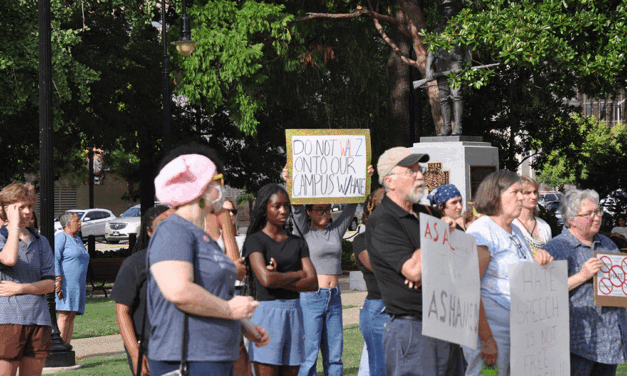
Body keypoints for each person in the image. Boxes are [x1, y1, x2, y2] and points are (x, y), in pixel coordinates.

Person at [147, 143, 269, 375]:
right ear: (200, 188)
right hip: (186, 359)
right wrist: (230, 309)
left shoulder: (200, 235)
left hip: (214, 356)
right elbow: (178, 290)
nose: (221, 188)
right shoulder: (173, 231)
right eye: (216, 180)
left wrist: (243, 325)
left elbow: (211, 292)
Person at [365, 146, 463, 376]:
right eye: (411, 171)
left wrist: (429, 251)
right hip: (412, 329)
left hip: (447, 322)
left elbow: (461, 257)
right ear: (390, 181)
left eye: (419, 170)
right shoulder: (383, 221)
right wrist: (435, 239)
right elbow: (415, 272)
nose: (420, 176)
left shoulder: (427, 212)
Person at [281, 164, 373, 376]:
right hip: (312, 297)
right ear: (309, 212)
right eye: (319, 209)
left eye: (327, 209)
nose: (324, 213)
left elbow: (351, 208)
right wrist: (288, 180)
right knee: (309, 354)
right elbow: (294, 208)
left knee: (334, 356)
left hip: (334, 296)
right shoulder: (304, 231)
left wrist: (363, 179)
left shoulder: (335, 230)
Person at [462, 171, 553, 376]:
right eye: (516, 192)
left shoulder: (516, 231)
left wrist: (540, 261)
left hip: (518, 329)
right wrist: (486, 340)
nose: (522, 197)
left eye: (523, 192)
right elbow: (468, 287)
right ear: (495, 196)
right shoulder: (482, 231)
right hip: (493, 333)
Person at [544, 189, 627, 376]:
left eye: (597, 212)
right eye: (589, 214)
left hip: (610, 339)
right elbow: (545, 293)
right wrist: (582, 276)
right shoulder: (556, 248)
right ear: (571, 219)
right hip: (578, 342)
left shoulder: (608, 244)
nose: (597, 218)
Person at [243, 183, 318, 376]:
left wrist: (279, 279)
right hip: (268, 315)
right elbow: (267, 279)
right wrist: (296, 274)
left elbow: (313, 283)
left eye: (286, 206)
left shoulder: (297, 242)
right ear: (264, 208)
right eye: (277, 206)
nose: (283, 211)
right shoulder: (255, 240)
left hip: (294, 313)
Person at [0, 183, 55, 376]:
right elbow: (9, 259)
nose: (28, 211)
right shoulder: (0, 238)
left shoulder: (41, 241)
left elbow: (50, 284)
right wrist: (13, 226)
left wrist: (19, 288)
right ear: (6, 209)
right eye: (21, 207)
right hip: (7, 319)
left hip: (39, 319)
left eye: (30, 206)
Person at [110, 205, 170, 376]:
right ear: (149, 231)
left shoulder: (188, 260)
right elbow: (122, 312)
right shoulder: (134, 265)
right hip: (148, 349)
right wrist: (135, 353)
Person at [425, 0, 471, 135]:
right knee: (443, 98)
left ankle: (458, 127)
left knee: (456, 96)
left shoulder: (462, 29)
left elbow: (468, 49)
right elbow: (431, 52)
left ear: (455, 10)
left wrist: (468, 64)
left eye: (449, 8)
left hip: (455, 64)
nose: (446, 10)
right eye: (444, 8)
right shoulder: (437, 31)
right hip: (440, 66)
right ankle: (446, 127)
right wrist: (428, 69)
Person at [353, 188, 386, 376]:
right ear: (370, 207)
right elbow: (380, 268)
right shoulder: (362, 241)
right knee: (380, 369)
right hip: (378, 309)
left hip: (404, 310)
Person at [54, 212, 90, 344]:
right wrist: (58, 279)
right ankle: (59, 348)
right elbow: (54, 259)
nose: (80, 223)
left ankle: (67, 347)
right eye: (77, 220)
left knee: (71, 315)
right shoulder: (60, 237)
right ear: (67, 224)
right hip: (65, 284)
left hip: (77, 284)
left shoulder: (78, 239)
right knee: (64, 315)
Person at [512, 176, 552, 255]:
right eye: (527, 193)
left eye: (535, 192)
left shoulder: (544, 226)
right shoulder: (511, 225)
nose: (534, 197)